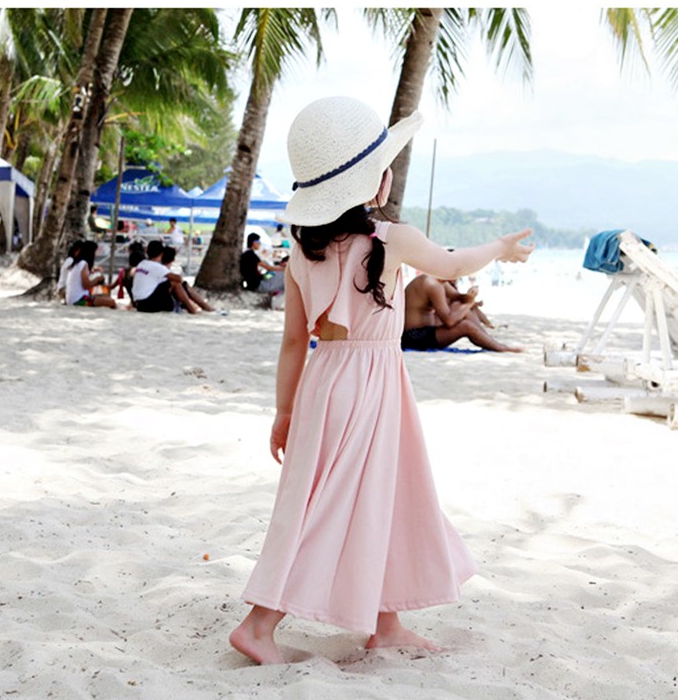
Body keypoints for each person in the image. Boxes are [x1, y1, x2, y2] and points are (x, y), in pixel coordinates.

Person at [229, 96, 534, 665]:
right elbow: (452, 264)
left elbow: (294, 340)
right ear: (375, 178)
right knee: (335, 504)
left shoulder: (302, 250)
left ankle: (386, 623)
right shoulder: (390, 238)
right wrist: (500, 248)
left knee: (381, 494)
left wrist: (284, 411)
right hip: (370, 382)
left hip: (323, 379)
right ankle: (259, 625)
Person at [401, 274, 522, 352]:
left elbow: (458, 297)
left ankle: (489, 340)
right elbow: (449, 321)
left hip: (426, 331)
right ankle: (500, 347)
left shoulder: (439, 280)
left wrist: (470, 296)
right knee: (466, 326)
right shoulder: (433, 284)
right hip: (413, 336)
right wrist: (470, 303)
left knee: (459, 306)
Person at [131, 244, 212, 313]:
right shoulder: (157, 266)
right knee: (176, 284)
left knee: (177, 284)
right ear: (161, 254)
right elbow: (178, 279)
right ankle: (195, 310)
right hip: (147, 303)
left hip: (139, 303)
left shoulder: (142, 264)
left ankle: (202, 308)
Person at [65, 239, 117, 309]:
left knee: (104, 298)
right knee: (112, 302)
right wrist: (97, 279)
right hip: (79, 301)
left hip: (73, 299)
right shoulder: (83, 264)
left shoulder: (77, 263)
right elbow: (86, 285)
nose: (95, 255)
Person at [240, 232, 286, 297]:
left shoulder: (247, 254)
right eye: (258, 241)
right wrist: (283, 268)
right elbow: (268, 267)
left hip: (253, 283)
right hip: (257, 285)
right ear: (253, 242)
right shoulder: (251, 255)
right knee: (282, 275)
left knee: (273, 274)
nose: (260, 243)